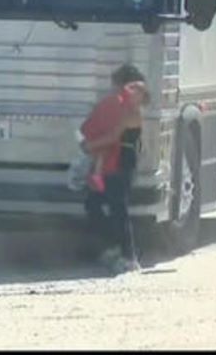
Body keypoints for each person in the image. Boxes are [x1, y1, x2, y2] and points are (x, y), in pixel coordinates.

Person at [81, 64, 149, 275]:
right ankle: (115, 249)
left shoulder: (132, 112)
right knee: (99, 204)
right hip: (117, 159)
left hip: (121, 161)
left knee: (117, 208)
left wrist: (89, 146)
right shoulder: (126, 108)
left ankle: (128, 256)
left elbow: (113, 137)